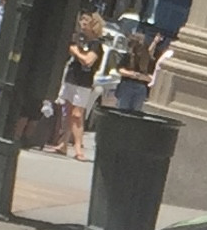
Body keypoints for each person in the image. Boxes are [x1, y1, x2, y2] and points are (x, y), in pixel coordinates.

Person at [56, 11, 103, 159]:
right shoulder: (78, 40)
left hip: (84, 82)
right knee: (67, 112)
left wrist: (76, 52)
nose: (82, 23)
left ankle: (78, 148)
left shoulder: (96, 45)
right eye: (81, 19)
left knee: (77, 115)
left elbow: (88, 61)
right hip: (72, 77)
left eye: (86, 20)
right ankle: (63, 143)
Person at [113, 30, 160, 112]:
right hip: (127, 85)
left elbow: (152, 77)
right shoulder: (128, 56)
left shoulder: (148, 60)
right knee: (122, 111)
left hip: (141, 88)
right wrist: (132, 74)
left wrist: (143, 77)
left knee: (136, 112)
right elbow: (120, 69)